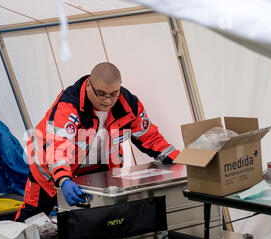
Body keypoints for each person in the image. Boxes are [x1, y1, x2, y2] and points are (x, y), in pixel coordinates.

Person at [15, 62, 180, 222]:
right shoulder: (69, 105)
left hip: (98, 168)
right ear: (88, 85)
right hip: (49, 169)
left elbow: (151, 138)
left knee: (100, 221)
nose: (107, 100)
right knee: (32, 220)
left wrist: (180, 160)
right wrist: (63, 180)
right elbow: (57, 148)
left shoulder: (129, 105)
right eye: (101, 94)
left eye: (113, 94)